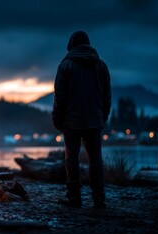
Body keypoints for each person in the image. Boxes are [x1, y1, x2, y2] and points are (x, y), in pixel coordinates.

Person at [52, 30, 111, 209]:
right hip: (94, 120)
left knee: (72, 158)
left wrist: (57, 119)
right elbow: (107, 96)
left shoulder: (65, 66)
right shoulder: (101, 66)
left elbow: (59, 97)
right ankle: (99, 199)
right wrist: (103, 117)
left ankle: (74, 198)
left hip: (72, 121)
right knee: (96, 159)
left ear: (71, 46)